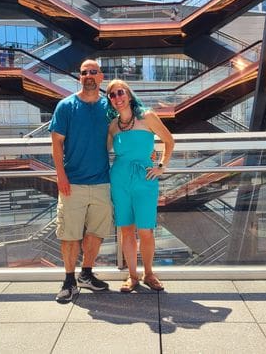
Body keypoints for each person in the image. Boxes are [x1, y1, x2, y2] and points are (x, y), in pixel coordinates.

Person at [49, 60, 112, 303]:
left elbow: (129, 128)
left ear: (101, 77)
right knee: (69, 235)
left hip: (102, 182)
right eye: (84, 72)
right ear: (80, 77)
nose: (88, 76)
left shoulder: (109, 106)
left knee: (96, 233)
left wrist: (148, 150)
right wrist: (60, 176)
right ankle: (68, 280)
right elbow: (56, 144)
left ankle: (86, 274)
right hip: (72, 182)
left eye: (93, 72)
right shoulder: (66, 106)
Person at [106, 79, 174, 293]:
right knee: (126, 230)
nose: (118, 98)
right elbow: (101, 150)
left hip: (145, 180)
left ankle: (149, 273)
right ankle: (132, 276)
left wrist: (161, 165)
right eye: (112, 95)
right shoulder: (113, 126)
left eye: (120, 92)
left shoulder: (147, 117)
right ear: (110, 100)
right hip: (120, 180)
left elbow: (169, 140)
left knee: (146, 230)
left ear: (128, 94)